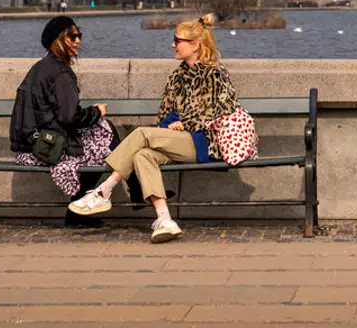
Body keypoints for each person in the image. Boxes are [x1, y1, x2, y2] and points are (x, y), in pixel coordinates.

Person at [68, 14, 238, 243]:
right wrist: (172, 124)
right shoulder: (177, 76)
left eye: (177, 41)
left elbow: (219, 110)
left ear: (196, 45)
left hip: (205, 142)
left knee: (141, 133)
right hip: (179, 140)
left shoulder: (215, 73)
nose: (172, 45)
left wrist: (184, 123)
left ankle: (104, 190)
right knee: (142, 155)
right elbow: (165, 114)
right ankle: (165, 219)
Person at [10, 16, 114, 226]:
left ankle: (79, 212)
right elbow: (69, 118)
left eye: (79, 35)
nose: (77, 40)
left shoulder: (41, 67)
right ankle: (77, 211)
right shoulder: (60, 74)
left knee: (103, 139)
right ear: (59, 40)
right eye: (72, 36)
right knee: (107, 136)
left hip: (31, 145)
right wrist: (97, 113)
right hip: (46, 149)